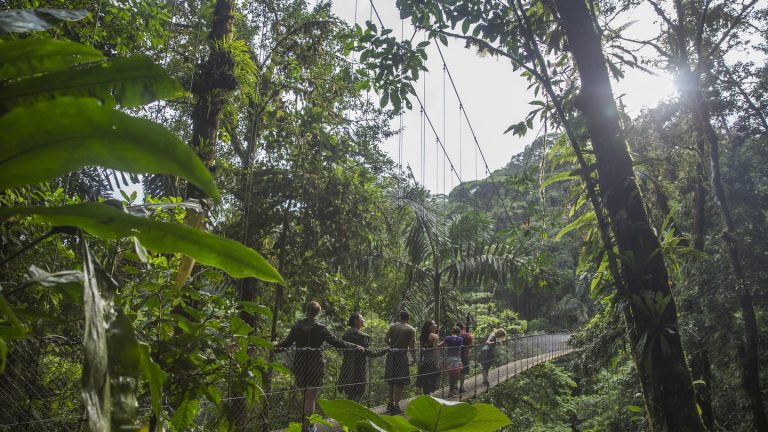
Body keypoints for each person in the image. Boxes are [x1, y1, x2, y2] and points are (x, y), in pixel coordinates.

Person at [274, 301, 363, 432]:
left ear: (306, 310)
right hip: (316, 365)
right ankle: (306, 427)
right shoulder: (321, 329)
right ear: (318, 312)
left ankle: (306, 425)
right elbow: (337, 343)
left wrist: (275, 346)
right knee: (310, 398)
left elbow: (286, 344)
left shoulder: (297, 326)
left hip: (300, 365)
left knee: (305, 397)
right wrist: (355, 346)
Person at [337, 312, 387, 402]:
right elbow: (369, 352)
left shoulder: (346, 335)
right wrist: (384, 350)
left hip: (347, 367)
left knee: (350, 391)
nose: (364, 320)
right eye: (362, 318)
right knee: (360, 390)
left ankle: (348, 411)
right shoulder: (362, 336)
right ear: (356, 321)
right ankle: (353, 412)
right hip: (359, 368)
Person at [384, 311, 416, 414]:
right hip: (402, 357)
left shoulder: (393, 326)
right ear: (408, 318)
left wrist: (391, 346)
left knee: (391, 381)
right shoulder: (411, 329)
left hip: (391, 355)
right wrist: (414, 358)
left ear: (400, 318)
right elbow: (411, 346)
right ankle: (396, 406)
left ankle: (390, 404)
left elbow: (385, 338)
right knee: (400, 382)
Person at [414, 320, 441, 395]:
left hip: (424, 360)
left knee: (425, 379)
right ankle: (428, 397)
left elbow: (422, 349)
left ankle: (425, 396)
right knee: (431, 379)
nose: (436, 325)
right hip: (431, 360)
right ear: (430, 326)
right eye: (434, 324)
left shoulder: (423, 336)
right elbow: (434, 350)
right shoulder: (434, 336)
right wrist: (437, 362)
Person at [442, 326, 464, 397]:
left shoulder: (447, 338)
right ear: (459, 332)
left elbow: (440, 345)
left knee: (451, 375)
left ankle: (452, 390)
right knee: (454, 376)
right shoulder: (460, 339)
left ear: (452, 331)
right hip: (457, 359)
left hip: (449, 359)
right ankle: (451, 391)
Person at [456, 322, 474, 394]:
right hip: (464, 355)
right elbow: (471, 345)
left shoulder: (453, 335)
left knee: (455, 371)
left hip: (455, 355)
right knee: (463, 371)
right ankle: (461, 387)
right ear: (462, 327)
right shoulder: (466, 335)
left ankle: (454, 387)